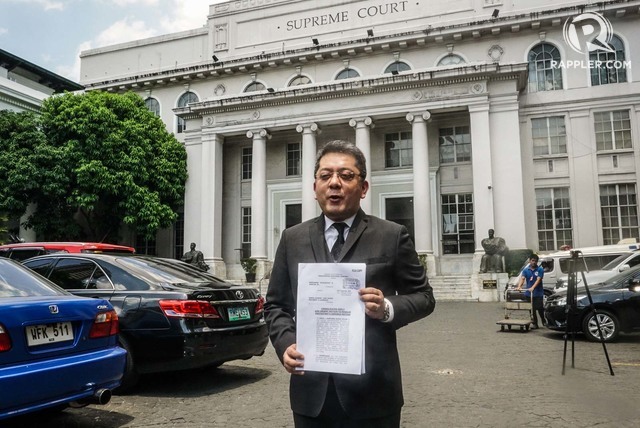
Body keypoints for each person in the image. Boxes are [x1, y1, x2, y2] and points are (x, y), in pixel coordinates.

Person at [264, 140, 436, 427]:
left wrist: (386, 308)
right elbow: (276, 305)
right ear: (315, 186)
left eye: (346, 176)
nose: (334, 183)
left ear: (363, 187)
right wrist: (285, 344)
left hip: (374, 394)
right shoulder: (292, 238)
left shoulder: (391, 235)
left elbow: (424, 297)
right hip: (311, 393)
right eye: (325, 175)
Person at [516, 254, 545, 328]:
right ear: (529, 261)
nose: (534, 262)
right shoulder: (526, 270)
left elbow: (539, 279)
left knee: (540, 308)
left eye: (535, 261)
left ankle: (543, 320)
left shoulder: (540, 270)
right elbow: (522, 278)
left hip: (538, 293)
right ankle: (535, 323)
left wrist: (533, 287)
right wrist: (519, 286)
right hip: (529, 294)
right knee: (532, 309)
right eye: (532, 260)